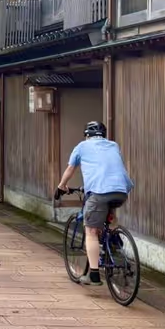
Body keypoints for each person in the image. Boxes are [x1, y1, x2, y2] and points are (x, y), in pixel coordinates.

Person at [57, 121, 134, 287]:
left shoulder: (82, 146)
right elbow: (113, 168)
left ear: (87, 134)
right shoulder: (113, 146)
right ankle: (116, 247)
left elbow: (70, 170)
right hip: (121, 191)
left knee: (91, 231)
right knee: (110, 220)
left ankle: (93, 275)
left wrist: (61, 186)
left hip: (99, 192)